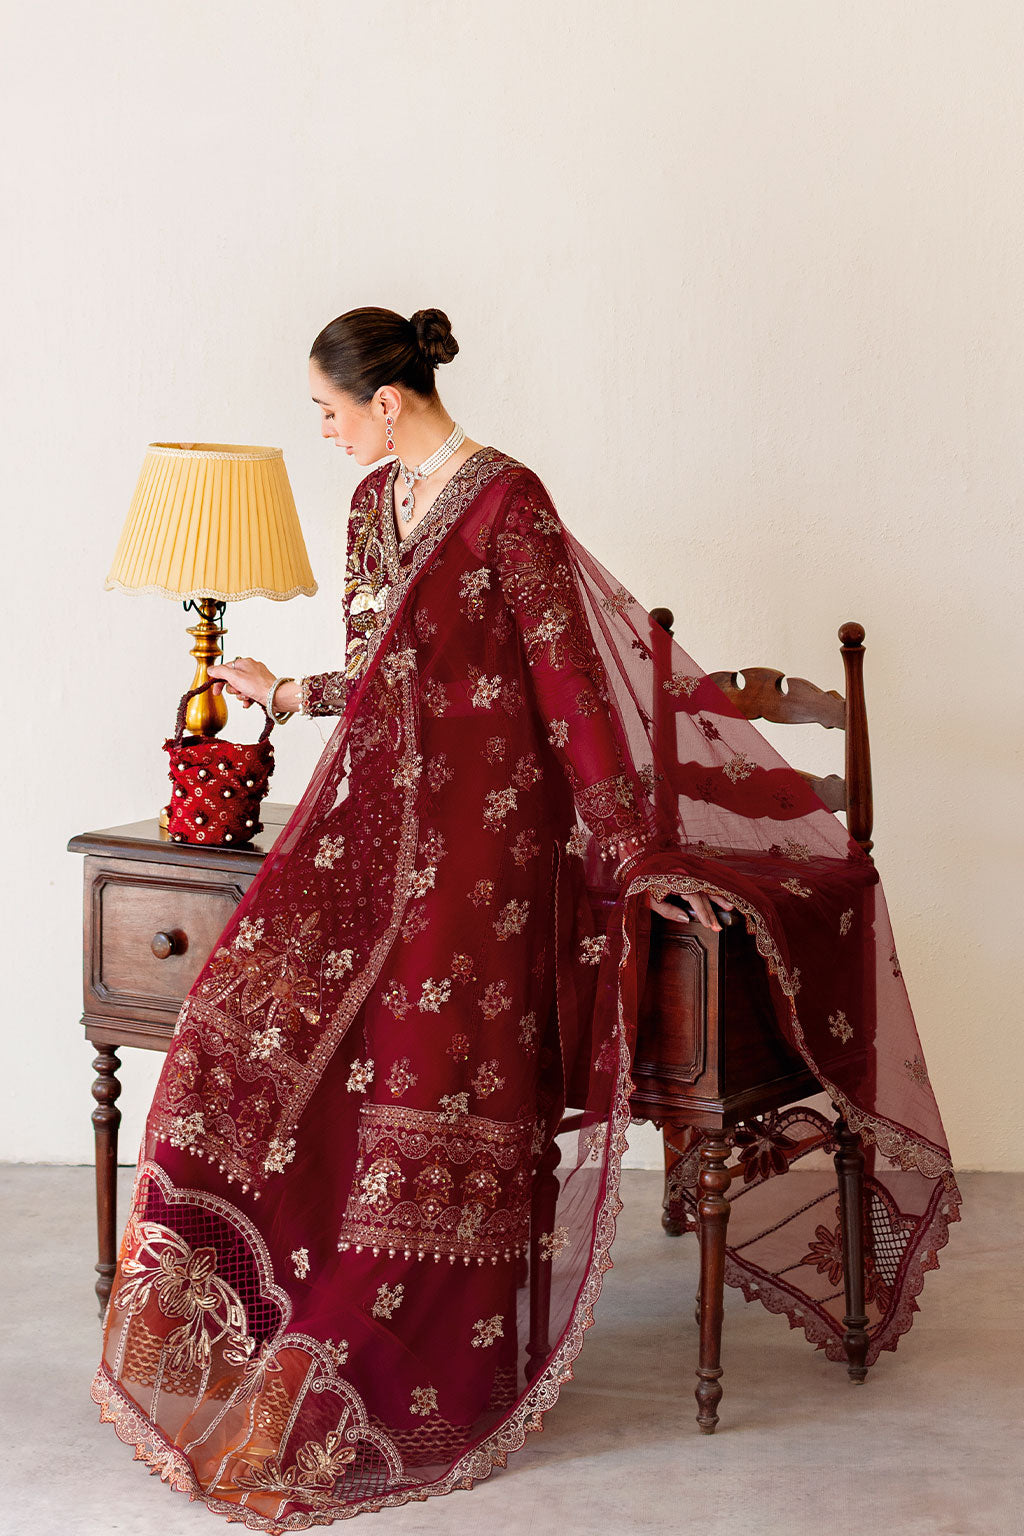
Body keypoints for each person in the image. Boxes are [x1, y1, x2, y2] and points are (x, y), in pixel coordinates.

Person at [91, 306, 960, 1530]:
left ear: (386, 400)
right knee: (242, 1024)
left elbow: (571, 687)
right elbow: (384, 668)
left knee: (446, 1077)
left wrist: (630, 850)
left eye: (329, 413)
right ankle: (262, 1307)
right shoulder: (369, 507)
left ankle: (447, 1355)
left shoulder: (508, 503)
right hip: (380, 826)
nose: (325, 434)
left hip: (488, 847)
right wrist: (284, 691)